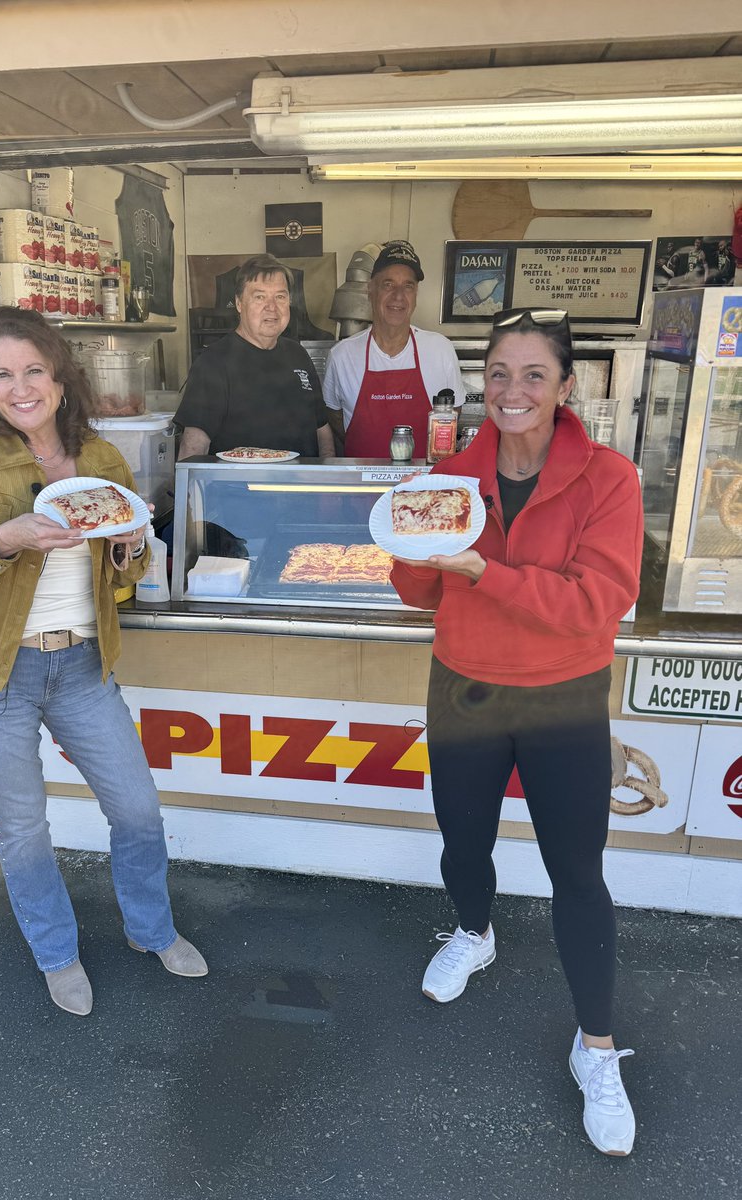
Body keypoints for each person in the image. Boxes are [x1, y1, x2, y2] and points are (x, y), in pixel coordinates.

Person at [390, 307, 643, 1157]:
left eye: (534, 375)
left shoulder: (609, 478)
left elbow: (594, 606)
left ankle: (597, 1050)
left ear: (566, 388)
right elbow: (418, 593)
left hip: (564, 696)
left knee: (578, 872)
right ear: (481, 384)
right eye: (498, 374)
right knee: (463, 839)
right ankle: (474, 932)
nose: (513, 391)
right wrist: (413, 546)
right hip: (463, 684)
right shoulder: (453, 471)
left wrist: (480, 572)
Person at [0, 306, 207, 1018]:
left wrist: (131, 546)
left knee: (136, 810)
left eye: (33, 370)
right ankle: (57, 954)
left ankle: (151, 930)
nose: (21, 387)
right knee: (23, 827)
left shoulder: (101, 459)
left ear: (60, 378)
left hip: (80, 664)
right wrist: (5, 539)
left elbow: (119, 574)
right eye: (2, 373)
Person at [175, 253, 334, 459]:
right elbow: (194, 448)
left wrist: (328, 480)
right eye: (259, 297)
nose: (271, 307)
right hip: (239, 489)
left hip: (300, 487)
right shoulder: (213, 363)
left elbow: (321, 429)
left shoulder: (298, 355)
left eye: (280, 297)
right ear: (239, 304)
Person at [322, 239, 465, 456]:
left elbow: (452, 416)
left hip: (425, 485)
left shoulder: (440, 349)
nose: (399, 296)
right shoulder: (342, 355)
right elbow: (334, 418)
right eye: (388, 284)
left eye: (408, 286)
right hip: (360, 483)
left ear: (415, 295)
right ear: (370, 290)